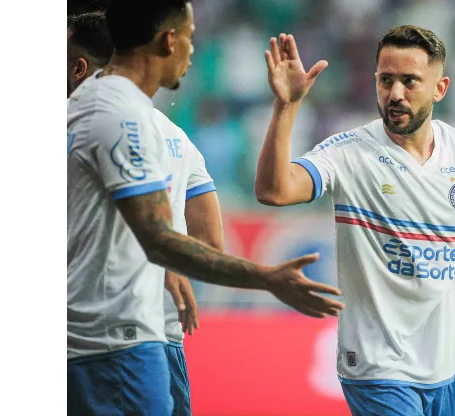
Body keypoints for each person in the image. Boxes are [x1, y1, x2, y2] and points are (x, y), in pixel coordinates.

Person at [67, 1, 344, 414]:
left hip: (116, 337)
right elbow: (165, 239)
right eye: (191, 38)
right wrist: (267, 277)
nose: (195, 52)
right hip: (112, 344)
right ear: (169, 40)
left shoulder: (95, 111)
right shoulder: (128, 119)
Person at [255, 26, 455, 415]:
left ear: (440, 88)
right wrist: (286, 107)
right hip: (377, 366)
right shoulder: (348, 153)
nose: (395, 94)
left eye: (410, 82)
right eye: (385, 80)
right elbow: (274, 191)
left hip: (444, 363)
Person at [68, 11, 220, 414]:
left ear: (77, 67)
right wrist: (167, 262)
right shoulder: (177, 137)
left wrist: (159, 251)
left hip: (101, 336)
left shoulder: (86, 124)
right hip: (160, 332)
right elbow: (211, 242)